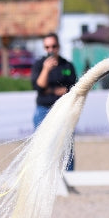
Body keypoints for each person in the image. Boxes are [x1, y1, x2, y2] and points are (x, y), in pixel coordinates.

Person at [31, 32, 78, 171]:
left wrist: (52, 90)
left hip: (63, 109)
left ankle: (69, 178)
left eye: (53, 46)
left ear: (59, 46)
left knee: (66, 145)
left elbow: (72, 88)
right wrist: (46, 69)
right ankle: (41, 175)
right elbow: (38, 86)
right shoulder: (39, 65)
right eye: (47, 47)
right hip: (44, 109)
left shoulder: (67, 65)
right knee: (42, 146)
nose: (50, 50)